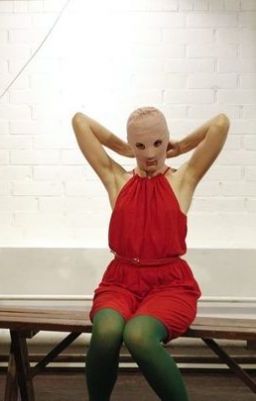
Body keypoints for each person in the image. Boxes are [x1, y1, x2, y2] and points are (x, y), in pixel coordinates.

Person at [72, 107, 230, 401]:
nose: (150, 153)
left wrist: (181, 146)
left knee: (138, 335)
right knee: (106, 332)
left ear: (166, 140)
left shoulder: (182, 180)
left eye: (158, 143)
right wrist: (123, 148)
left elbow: (220, 123)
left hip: (169, 284)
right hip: (120, 281)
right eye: (141, 146)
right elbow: (80, 122)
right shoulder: (117, 180)